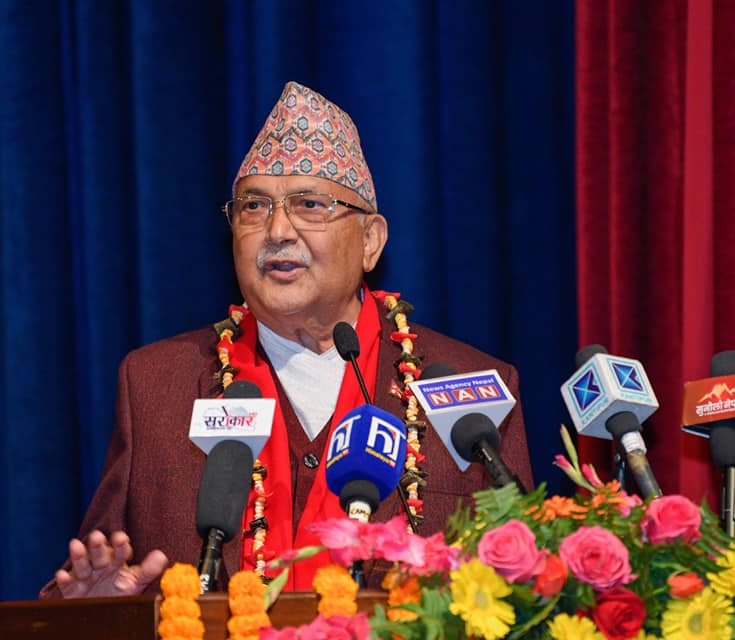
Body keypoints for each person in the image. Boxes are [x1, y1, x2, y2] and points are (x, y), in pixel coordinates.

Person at [41, 81, 532, 598]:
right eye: (253, 207)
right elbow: (94, 578)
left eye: (310, 204)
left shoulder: (471, 385)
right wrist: (98, 610)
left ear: (370, 241)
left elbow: (529, 588)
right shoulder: (156, 385)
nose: (277, 231)